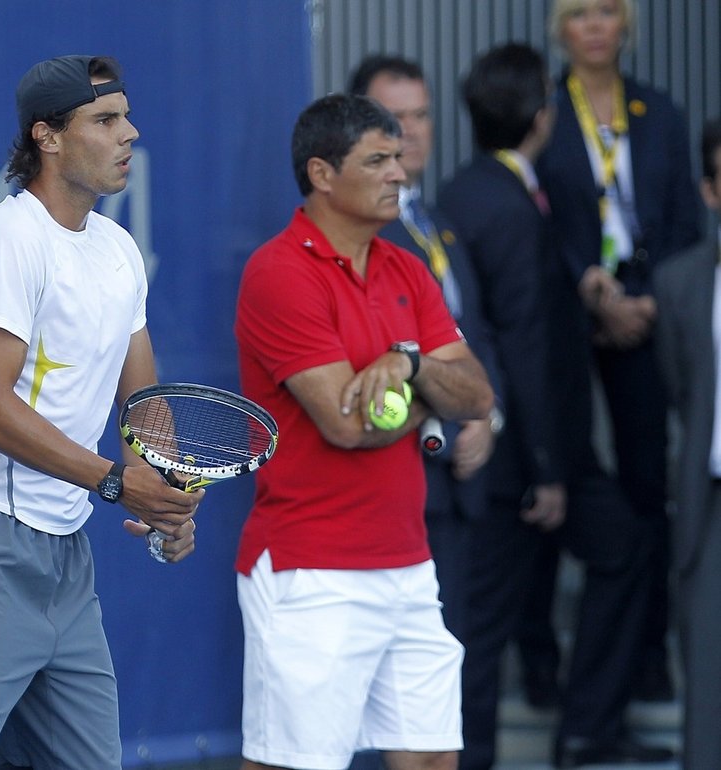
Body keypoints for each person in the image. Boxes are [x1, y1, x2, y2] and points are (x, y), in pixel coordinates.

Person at [0, 55, 203, 770]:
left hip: (66, 557)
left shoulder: (118, 250)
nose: (130, 132)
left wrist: (168, 503)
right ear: (48, 137)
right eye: (105, 119)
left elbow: (144, 404)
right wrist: (117, 483)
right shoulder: (8, 239)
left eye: (125, 115)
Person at [234, 93, 494, 770]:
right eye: (377, 160)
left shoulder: (408, 266)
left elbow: (476, 393)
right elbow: (347, 425)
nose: (399, 173)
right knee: (294, 765)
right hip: (310, 569)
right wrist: (428, 395)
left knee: (433, 759)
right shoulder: (278, 271)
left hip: (407, 562)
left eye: (399, 158)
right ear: (322, 174)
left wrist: (404, 362)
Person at [437, 43, 669, 769]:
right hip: (525, 458)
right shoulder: (507, 205)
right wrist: (547, 470)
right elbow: (526, 342)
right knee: (482, 623)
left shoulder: (465, 191)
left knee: (604, 557)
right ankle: (540, 740)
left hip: (518, 449)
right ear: (541, 118)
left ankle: (580, 729)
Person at [537, 0, 701, 702]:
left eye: (608, 11)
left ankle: (649, 653)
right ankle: (547, 659)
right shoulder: (543, 111)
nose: (596, 25)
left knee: (646, 480)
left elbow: (689, 224)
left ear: (626, 26)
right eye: (580, 14)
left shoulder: (658, 111)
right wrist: (589, 289)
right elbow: (535, 216)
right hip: (569, 315)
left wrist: (652, 300)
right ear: (561, 31)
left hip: (650, 305)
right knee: (556, 472)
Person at [349, 55, 502, 645]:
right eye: (394, 117)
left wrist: (489, 413)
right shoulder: (360, 233)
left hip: (463, 483)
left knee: (446, 675)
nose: (410, 132)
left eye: (421, 115)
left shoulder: (435, 221)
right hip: (397, 485)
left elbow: (475, 334)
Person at [653, 117, 721, 770]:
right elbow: (681, 388)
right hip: (712, 499)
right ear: (710, 190)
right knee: (707, 670)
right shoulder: (679, 282)